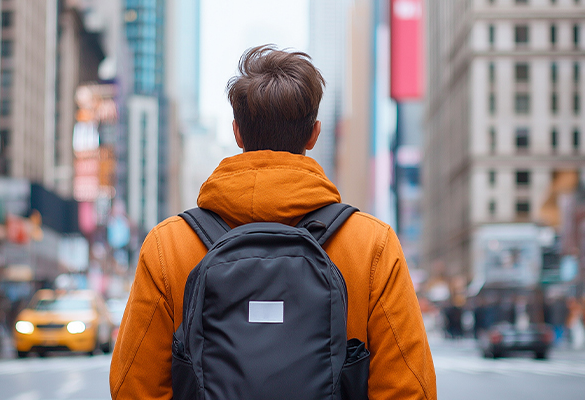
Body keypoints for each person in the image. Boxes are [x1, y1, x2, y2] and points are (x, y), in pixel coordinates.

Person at [109, 45, 436, 400]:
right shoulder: (372, 244)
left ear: (237, 133)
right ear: (314, 134)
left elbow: (132, 387)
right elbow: (409, 389)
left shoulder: (168, 244)